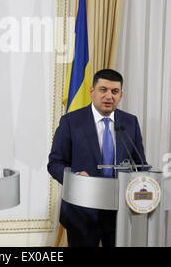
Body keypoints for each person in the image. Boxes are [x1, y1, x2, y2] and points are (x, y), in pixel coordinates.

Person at [47, 69, 147, 247]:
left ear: (121, 95)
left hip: (120, 212)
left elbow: (140, 164)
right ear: (92, 91)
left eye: (114, 91)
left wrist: (149, 179)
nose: (109, 96)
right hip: (82, 212)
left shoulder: (130, 122)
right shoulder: (71, 121)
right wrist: (76, 178)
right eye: (103, 90)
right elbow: (55, 163)